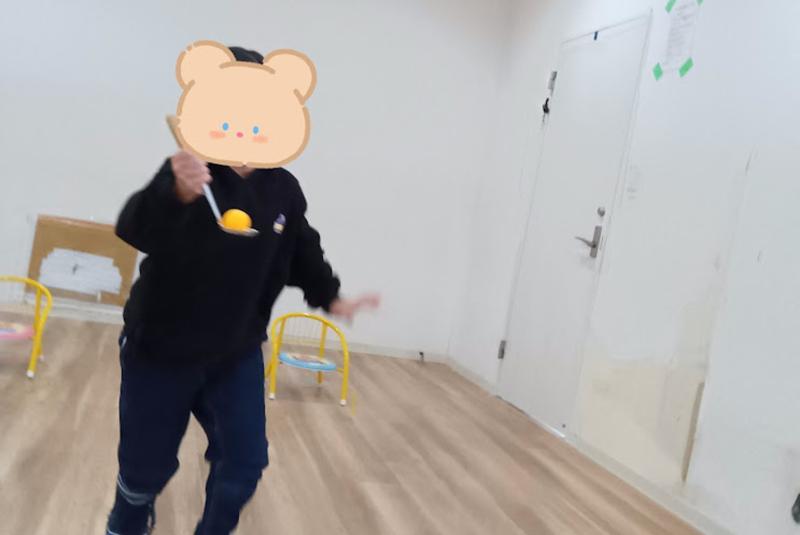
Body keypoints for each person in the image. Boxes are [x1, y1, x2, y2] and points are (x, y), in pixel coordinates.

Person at [106, 46, 378, 535]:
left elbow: (302, 250)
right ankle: (128, 518)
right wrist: (177, 193)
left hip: (236, 352)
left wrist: (331, 296)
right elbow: (134, 229)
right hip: (160, 347)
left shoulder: (284, 188)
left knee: (245, 461)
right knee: (146, 467)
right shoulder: (188, 170)